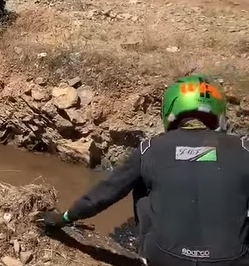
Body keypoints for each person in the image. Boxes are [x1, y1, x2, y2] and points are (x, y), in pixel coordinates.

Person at [37, 74, 249, 266]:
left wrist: (63, 218)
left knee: (143, 186)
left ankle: (148, 255)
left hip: (166, 258)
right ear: (219, 111)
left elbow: (106, 193)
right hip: (235, 261)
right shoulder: (244, 149)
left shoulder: (150, 149)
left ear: (170, 110)